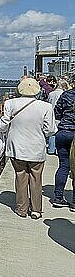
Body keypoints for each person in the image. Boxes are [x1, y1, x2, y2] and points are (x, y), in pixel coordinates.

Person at [0, 78, 57, 219]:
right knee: (36, 178)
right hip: (36, 148)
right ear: (37, 90)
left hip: (16, 148)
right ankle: (36, 210)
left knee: (20, 176)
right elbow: (50, 130)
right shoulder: (45, 107)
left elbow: (3, 126)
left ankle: (22, 209)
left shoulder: (10, 103)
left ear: (19, 89)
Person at [52, 78, 75, 209]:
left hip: (64, 132)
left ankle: (58, 197)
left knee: (64, 166)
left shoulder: (66, 95)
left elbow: (57, 113)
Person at [47, 79, 69, 155]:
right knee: (59, 132)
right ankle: (57, 150)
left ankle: (51, 149)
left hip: (52, 114)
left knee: (52, 132)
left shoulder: (51, 94)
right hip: (61, 115)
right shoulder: (64, 94)